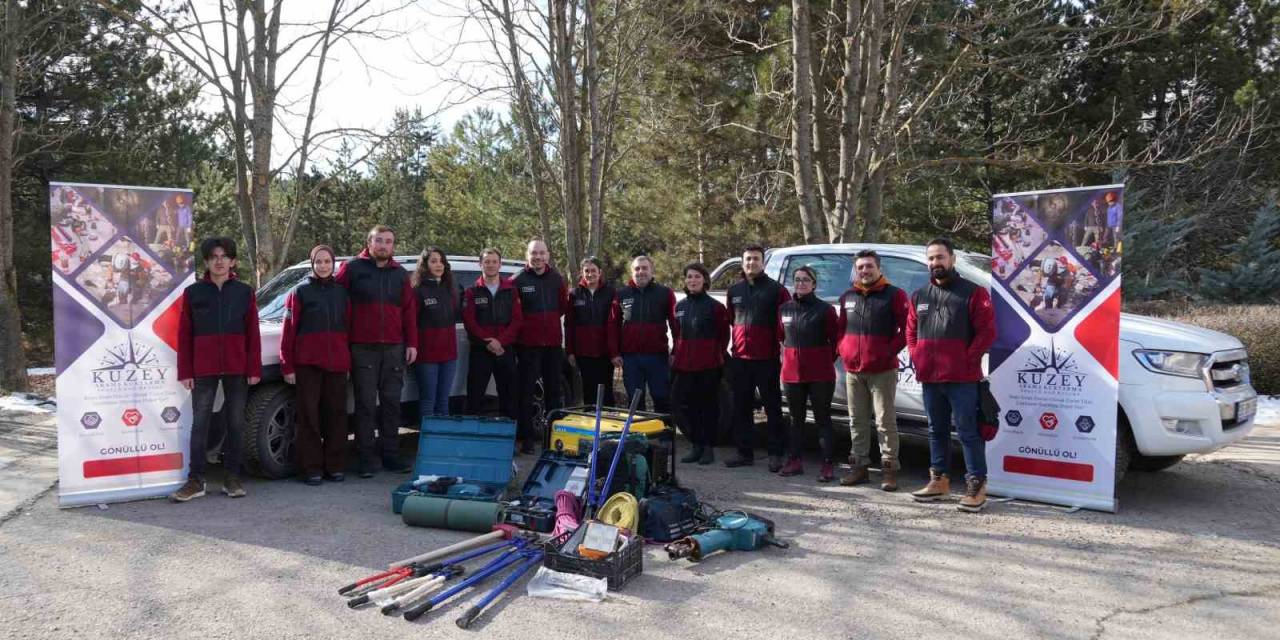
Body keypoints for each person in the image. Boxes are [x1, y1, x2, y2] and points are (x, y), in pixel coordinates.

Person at [907, 237, 996, 512]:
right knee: (936, 430)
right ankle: (939, 481)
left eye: (940, 257)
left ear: (952, 259)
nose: (936, 263)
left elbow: (987, 332)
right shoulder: (919, 295)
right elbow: (911, 332)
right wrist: (916, 355)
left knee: (968, 432)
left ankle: (976, 485)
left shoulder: (973, 292)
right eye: (931, 258)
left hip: (962, 378)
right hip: (930, 378)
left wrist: (966, 360)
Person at [171, 237, 261, 502]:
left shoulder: (244, 292)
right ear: (207, 261)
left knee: (235, 423)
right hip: (203, 367)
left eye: (224, 256)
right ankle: (195, 480)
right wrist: (185, 371)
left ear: (232, 261)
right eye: (213, 257)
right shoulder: (193, 293)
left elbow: (252, 334)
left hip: (237, 367)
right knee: (200, 424)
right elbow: (184, 334)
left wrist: (253, 367)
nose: (219, 261)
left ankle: (232, 478)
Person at [335, 225, 418, 478]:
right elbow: (336, 304)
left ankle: (390, 455)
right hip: (362, 348)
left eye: (388, 242)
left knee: (392, 403)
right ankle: (366, 458)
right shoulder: (351, 270)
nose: (383, 245)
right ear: (369, 243)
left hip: (394, 348)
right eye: (379, 241)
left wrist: (412, 343)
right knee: (365, 405)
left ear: (393, 246)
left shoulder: (400, 274)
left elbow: (408, 312)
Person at [837, 250, 909, 490]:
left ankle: (889, 470)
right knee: (856, 420)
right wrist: (842, 348)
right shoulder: (848, 296)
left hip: (882, 370)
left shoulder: (894, 295)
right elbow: (841, 328)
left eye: (869, 266)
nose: (864, 271)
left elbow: (907, 329)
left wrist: (888, 352)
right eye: (860, 267)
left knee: (884, 421)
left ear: (879, 268)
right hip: (853, 370)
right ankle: (859, 468)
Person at [279, 245, 350, 486]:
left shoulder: (342, 293)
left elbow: (348, 329)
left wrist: (346, 359)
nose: (323, 266)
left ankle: (335, 466)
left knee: (336, 416)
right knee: (309, 417)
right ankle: (311, 469)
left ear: (333, 264)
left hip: (337, 364)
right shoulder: (299, 293)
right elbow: (288, 331)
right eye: (318, 262)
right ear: (312, 265)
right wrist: (287, 365)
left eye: (327, 262)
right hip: (307, 364)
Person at [724, 244, 790, 471]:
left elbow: (784, 324)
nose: (751, 263)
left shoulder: (777, 290)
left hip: (767, 358)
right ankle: (744, 453)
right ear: (742, 262)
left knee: (772, 408)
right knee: (741, 407)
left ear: (763, 262)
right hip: (741, 358)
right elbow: (732, 320)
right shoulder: (734, 291)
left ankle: (775, 454)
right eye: (748, 259)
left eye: (755, 259)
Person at [776, 265, 839, 480]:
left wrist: (821, 359)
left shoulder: (826, 310)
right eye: (797, 279)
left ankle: (828, 464)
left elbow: (836, 340)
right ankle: (794, 461)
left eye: (805, 279)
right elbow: (781, 337)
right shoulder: (785, 309)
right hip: (792, 374)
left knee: (823, 419)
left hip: (820, 374)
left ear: (814, 284)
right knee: (795, 420)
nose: (801, 283)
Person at [513, 239, 569, 454]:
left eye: (541, 253)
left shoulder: (557, 278)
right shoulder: (517, 280)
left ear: (547, 255)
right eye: (533, 253)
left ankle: (555, 438)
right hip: (528, 347)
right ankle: (527, 438)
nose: (537, 257)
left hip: (553, 345)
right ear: (527, 255)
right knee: (525, 393)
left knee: (554, 393)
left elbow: (562, 307)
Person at [671, 262, 730, 465]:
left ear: (705, 280)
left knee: (708, 407)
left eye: (697, 276)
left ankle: (707, 448)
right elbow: (676, 334)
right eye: (689, 277)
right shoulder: (680, 307)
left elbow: (724, 335)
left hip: (708, 366)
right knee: (687, 405)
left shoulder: (715, 307)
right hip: (685, 365)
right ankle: (695, 445)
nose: (692, 280)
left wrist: (716, 355)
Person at [462, 248, 523, 424]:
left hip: (505, 349)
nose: (490, 265)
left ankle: (508, 440)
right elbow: (469, 322)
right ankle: (473, 438)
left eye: (494, 261)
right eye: (487, 261)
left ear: (500, 264)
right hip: (481, 350)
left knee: (509, 395)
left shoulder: (510, 290)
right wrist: (488, 342)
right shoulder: (472, 291)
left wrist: (500, 342)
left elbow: (517, 320)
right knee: (475, 395)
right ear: (480, 264)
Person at [610, 255, 677, 413]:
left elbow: (676, 325)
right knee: (635, 400)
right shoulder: (621, 295)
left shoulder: (665, 293)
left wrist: (675, 351)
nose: (641, 272)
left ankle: (665, 435)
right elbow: (612, 325)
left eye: (645, 268)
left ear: (652, 271)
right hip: (631, 358)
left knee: (661, 397)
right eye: (637, 269)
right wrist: (614, 353)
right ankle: (638, 435)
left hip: (657, 357)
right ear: (631, 272)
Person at [412, 247, 460, 420]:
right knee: (428, 401)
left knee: (443, 401)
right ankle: (428, 445)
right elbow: (411, 323)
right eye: (433, 261)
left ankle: (442, 442)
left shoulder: (450, 289)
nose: (438, 265)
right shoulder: (417, 291)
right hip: (426, 357)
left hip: (449, 356)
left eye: (441, 261)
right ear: (425, 265)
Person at [566, 257, 617, 405]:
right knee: (589, 391)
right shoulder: (574, 294)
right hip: (583, 352)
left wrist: (615, 352)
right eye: (586, 271)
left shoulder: (610, 293)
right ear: (581, 273)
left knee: (606, 391)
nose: (590, 274)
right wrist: (570, 351)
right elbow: (569, 325)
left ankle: (607, 425)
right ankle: (590, 423)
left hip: (605, 352)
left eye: (593, 270)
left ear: (600, 272)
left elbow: (615, 323)